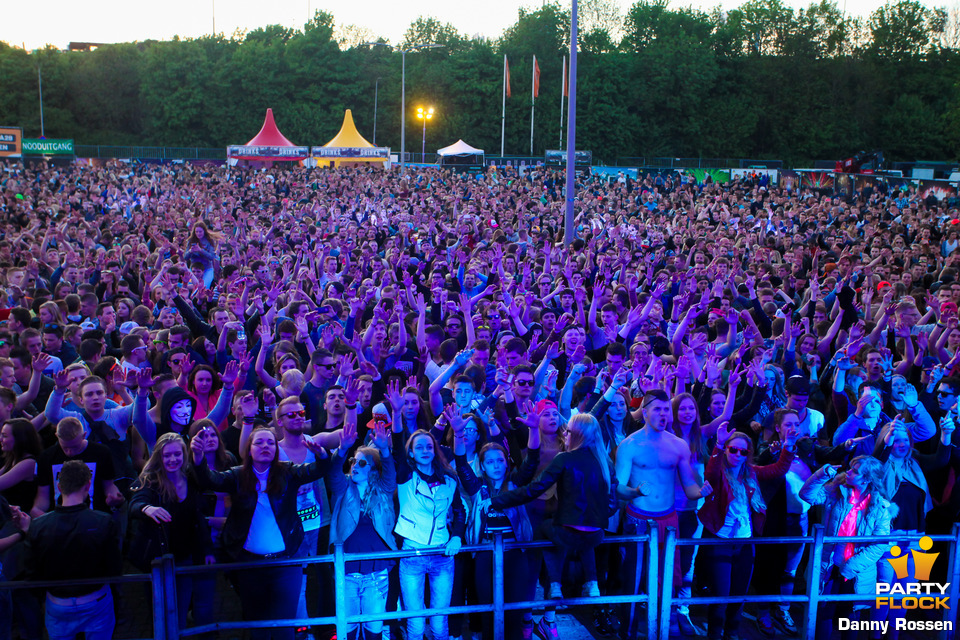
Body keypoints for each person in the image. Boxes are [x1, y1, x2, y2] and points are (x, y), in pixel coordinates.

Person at [481, 414, 618, 640]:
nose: (564, 433)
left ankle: (554, 585)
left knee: (545, 530)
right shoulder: (605, 462)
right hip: (596, 536)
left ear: (578, 434)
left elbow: (533, 489)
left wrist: (497, 500)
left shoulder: (564, 459)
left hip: (564, 533)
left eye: (569, 431)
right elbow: (612, 505)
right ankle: (590, 582)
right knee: (573, 534)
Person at [190, 426, 332, 640]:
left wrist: (321, 454)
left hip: (285, 562)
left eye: (270, 442)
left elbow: (316, 470)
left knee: (285, 627)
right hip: (250, 564)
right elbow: (210, 480)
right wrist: (198, 457)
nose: (265, 446)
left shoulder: (287, 472)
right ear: (249, 449)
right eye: (259, 442)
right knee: (258, 626)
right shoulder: (237, 475)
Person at [614, 389, 712, 640]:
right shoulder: (629, 445)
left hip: (669, 521)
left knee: (666, 579)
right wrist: (635, 491)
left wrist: (702, 491)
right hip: (638, 520)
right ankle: (628, 632)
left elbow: (690, 488)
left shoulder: (678, 445)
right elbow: (619, 488)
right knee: (634, 581)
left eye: (666, 409)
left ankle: (662, 630)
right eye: (657, 409)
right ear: (644, 412)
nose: (663, 414)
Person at [696, 423, 797, 640]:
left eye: (744, 451)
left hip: (745, 543)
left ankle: (731, 634)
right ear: (726, 450)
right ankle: (714, 635)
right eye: (733, 449)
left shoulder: (751, 473)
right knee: (721, 597)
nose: (738, 454)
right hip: (720, 542)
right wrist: (720, 443)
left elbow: (778, 469)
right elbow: (711, 475)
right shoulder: (718, 471)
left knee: (738, 596)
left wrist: (788, 446)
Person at [451, 404, 540, 640]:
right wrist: (458, 434)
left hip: (514, 553)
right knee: (488, 610)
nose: (496, 466)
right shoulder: (477, 488)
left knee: (513, 611)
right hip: (485, 554)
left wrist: (533, 430)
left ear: (506, 462)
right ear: (482, 465)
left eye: (500, 461)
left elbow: (532, 461)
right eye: (490, 462)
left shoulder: (515, 484)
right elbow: (460, 464)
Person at [17, 460, 123, 640]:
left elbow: (31, 574)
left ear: (59, 485)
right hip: (96, 600)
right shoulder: (103, 522)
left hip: (57, 604)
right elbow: (114, 568)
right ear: (88, 485)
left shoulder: (39, 526)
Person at [800, 456, 896, 640]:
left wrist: (848, 568)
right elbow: (807, 496)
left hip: (856, 570)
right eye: (850, 468)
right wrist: (822, 474)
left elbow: (879, 545)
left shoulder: (880, 508)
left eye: (854, 471)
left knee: (851, 617)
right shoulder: (838, 491)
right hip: (829, 565)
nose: (848, 472)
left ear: (867, 479)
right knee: (824, 613)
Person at [129, 432, 215, 633]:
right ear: (159, 456)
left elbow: (199, 520)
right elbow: (134, 503)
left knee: (179, 611)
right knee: (159, 612)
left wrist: (207, 550)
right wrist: (146, 508)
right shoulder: (150, 480)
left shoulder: (191, 479)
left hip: (185, 557)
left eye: (177, 454)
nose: (172, 459)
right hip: (159, 560)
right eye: (167, 455)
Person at [391, 427, 465, 640]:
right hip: (412, 553)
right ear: (411, 453)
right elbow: (397, 443)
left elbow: (460, 511)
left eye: (429, 446)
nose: (425, 450)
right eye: (419, 447)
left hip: (442, 555)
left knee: (440, 623)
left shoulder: (450, 479)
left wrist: (457, 535)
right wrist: (396, 413)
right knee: (415, 623)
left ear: (435, 450)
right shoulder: (406, 475)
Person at [329, 413, 396, 640]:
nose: (355, 465)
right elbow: (332, 474)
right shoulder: (343, 488)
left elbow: (390, 475)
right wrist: (341, 451)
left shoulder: (384, 490)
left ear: (374, 469)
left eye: (362, 462)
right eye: (353, 461)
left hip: (376, 572)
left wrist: (385, 450)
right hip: (346, 570)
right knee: (346, 631)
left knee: (373, 631)